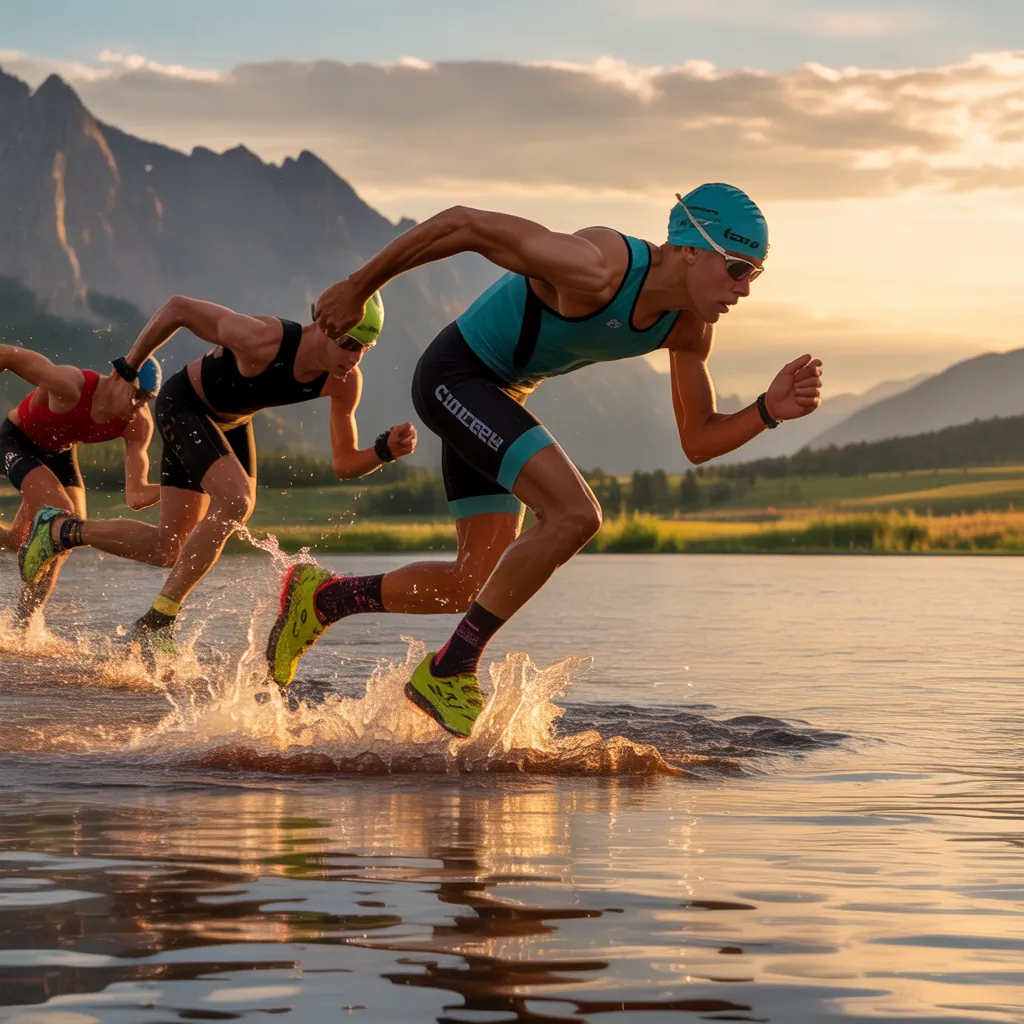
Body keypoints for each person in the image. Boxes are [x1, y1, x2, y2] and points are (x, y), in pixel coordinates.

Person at [266, 183, 824, 738]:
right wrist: (359, 287)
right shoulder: (599, 267)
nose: (744, 289)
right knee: (576, 515)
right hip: (455, 377)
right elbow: (466, 224)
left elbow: (698, 440)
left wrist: (766, 411)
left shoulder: (688, 328)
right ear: (689, 248)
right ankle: (451, 667)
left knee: (470, 584)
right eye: (736, 268)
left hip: (499, 397)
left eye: (754, 273)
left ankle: (321, 598)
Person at [19, 297, 416, 654]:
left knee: (166, 549)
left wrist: (384, 451)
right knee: (238, 501)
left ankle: (61, 532)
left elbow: (344, 463)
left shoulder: (344, 382)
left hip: (230, 423)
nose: (355, 358)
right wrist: (130, 366)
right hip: (184, 405)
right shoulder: (261, 338)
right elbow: (177, 309)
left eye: (365, 348)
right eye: (349, 343)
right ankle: (159, 620)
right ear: (322, 326)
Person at [0, 346, 160, 622]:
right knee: (61, 512)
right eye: (137, 395)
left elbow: (136, 495)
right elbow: (8, 355)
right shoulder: (70, 385)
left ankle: (23, 626)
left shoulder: (137, 425)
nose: (140, 406)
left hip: (59, 452)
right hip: (16, 441)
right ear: (119, 379)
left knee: (55, 537)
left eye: (147, 399)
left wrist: (190, 485)